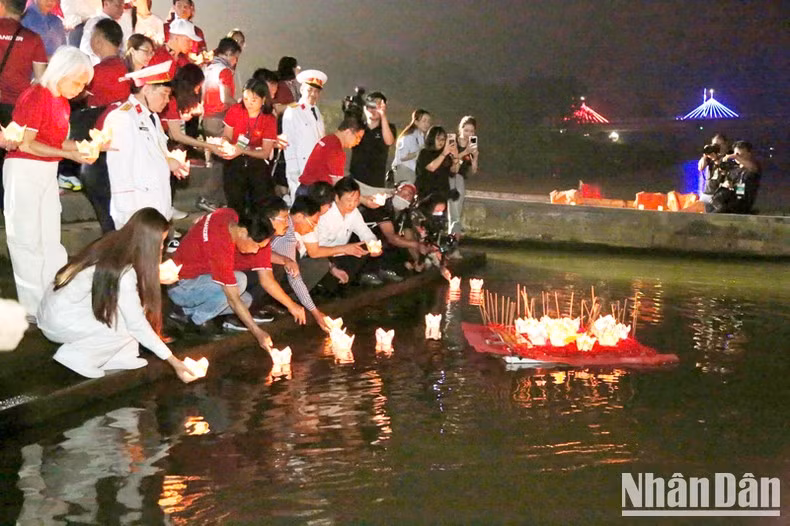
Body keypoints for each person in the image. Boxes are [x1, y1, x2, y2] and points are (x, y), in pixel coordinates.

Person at [37, 207, 197, 381]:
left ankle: (119, 356)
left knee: (129, 312)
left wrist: (156, 276)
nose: (162, 247)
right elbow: (136, 324)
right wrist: (174, 361)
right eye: (161, 242)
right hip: (60, 320)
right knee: (130, 322)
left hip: (54, 308)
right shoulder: (124, 272)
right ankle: (77, 357)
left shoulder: (116, 243)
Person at [3, 46, 96, 319]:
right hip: (24, 169)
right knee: (26, 239)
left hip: (46, 171)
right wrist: (67, 152)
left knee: (50, 239)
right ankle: (33, 306)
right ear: (62, 72)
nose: (80, 89)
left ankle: (54, 297)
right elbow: (27, 145)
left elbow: (55, 142)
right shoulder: (36, 96)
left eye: (83, 84)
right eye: (77, 81)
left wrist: (79, 148)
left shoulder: (62, 102)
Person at [167, 205, 306, 355]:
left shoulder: (230, 216)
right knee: (239, 282)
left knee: (245, 300)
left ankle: (184, 312)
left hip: (202, 281)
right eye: (255, 246)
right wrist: (257, 332)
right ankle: (196, 320)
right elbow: (232, 298)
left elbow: (264, 280)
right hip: (181, 285)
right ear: (243, 232)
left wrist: (291, 306)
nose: (255, 251)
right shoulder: (220, 244)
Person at [104, 59, 189, 229]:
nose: (167, 100)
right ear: (147, 89)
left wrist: (171, 161)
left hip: (156, 207)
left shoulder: (153, 117)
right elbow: (120, 170)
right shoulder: (122, 117)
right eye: (164, 94)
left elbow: (154, 155)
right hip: (136, 211)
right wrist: (127, 216)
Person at [74, 17, 127, 232]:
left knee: (100, 193)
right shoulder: (126, 69)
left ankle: (111, 242)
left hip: (101, 144)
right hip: (122, 143)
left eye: (93, 37)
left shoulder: (97, 73)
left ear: (100, 40)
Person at [0, 0, 48, 210]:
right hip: (17, 109)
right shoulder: (33, 38)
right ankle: (9, 204)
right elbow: (41, 80)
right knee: (12, 159)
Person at [269, 195, 331, 332]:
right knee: (285, 264)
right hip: (257, 275)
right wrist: (315, 313)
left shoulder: (289, 231)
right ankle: (269, 301)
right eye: (312, 223)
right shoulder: (287, 236)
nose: (313, 229)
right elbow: (295, 278)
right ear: (298, 217)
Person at [310, 177, 382, 288]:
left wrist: (374, 246)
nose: (353, 204)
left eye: (356, 200)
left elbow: (365, 232)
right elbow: (315, 249)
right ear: (337, 198)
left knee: (365, 247)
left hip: (344, 254)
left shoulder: (354, 212)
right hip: (324, 256)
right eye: (349, 200)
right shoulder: (325, 215)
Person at [221, 77, 277, 214]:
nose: (249, 103)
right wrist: (226, 144)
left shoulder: (269, 119)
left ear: (263, 100)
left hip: (256, 164)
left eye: (254, 100)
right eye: (246, 99)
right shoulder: (235, 110)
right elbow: (226, 136)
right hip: (234, 163)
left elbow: (265, 152)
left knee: (258, 205)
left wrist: (243, 150)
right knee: (235, 204)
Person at [360, 181, 431, 279]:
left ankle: (388, 269)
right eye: (403, 191)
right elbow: (391, 237)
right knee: (388, 244)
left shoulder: (405, 213)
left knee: (402, 249)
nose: (405, 196)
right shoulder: (382, 205)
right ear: (396, 192)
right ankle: (368, 271)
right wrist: (417, 245)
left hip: (381, 242)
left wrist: (418, 260)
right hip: (363, 241)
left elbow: (409, 238)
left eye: (409, 194)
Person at [282, 68, 326, 203]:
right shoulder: (293, 110)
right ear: (301, 90)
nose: (313, 94)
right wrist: (294, 172)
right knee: (301, 208)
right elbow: (288, 144)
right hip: (300, 169)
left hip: (316, 170)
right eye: (309, 90)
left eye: (317, 91)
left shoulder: (317, 112)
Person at [297, 109, 365, 192]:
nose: (358, 142)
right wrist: (362, 199)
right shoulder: (336, 149)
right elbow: (338, 184)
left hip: (306, 189)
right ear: (348, 132)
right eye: (358, 137)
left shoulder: (327, 139)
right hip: (314, 193)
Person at [349, 90, 395, 194]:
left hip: (375, 183)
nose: (374, 109)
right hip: (355, 181)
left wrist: (383, 115)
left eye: (378, 106)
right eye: (371, 105)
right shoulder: (358, 126)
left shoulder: (388, 127)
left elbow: (389, 141)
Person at [201, 36, 241, 137]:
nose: (236, 61)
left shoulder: (209, 68)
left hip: (206, 118)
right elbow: (225, 98)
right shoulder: (224, 71)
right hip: (219, 119)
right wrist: (241, 108)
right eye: (235, 57)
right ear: (228, 54)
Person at [710, 140, 761, 214]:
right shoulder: (734, 169)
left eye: (741, 154)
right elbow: (723, 182)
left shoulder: (753, 167)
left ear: (749, 153)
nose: (737, 156)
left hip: (742, 203)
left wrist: (735, 157)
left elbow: (753, 168)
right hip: (728, 201)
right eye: (736, 153)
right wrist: (725, 184)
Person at [448, 115, 478, 238]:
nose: (468, 134)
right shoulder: (452, 139)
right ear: (460, 129)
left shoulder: (472, 144)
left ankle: (454, 238)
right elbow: (449, 159)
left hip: (460, 178)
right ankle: (453, 237)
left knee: (456, 209)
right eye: (466, 130)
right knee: (454, 211)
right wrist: (464, 152)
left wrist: (475, 156)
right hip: (448, 175)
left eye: (471, 131)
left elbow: (473, 170)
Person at [415, 125, 460, 207]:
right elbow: (431, 167)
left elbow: (453, 171)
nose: (441, 142)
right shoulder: (424, 153)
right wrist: (444, 154)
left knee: (441, 218)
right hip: (426, 193)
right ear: (432, 138)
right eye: (438, 138)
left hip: (442, 193)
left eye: (443, 139)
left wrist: (456, 157)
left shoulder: (446, 155)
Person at [80, 0, 132, 65]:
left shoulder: (122, 23)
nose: (121, 9)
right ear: (106, 3)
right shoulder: (95, 22)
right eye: (117, 5)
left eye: (122, 6)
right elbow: (86, 49)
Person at [391, 109, 430, 185]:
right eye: (424, 121)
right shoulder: (408, 136)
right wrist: (420, 152)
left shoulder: (421, 136)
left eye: (428, 121)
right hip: (404, 170)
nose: (427, 124)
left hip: (413, 171)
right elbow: (402, 156)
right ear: (416, 122)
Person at [697, 133, 731, 209]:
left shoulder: (730, 156)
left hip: (720, 195)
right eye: (715, 145)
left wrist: (715, 158)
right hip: (707, 193)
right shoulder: (710, 157)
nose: (717, 147)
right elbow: (700, 167)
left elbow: (723, 167)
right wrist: (705, 155)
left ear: (726, 144)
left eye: (720, 144)